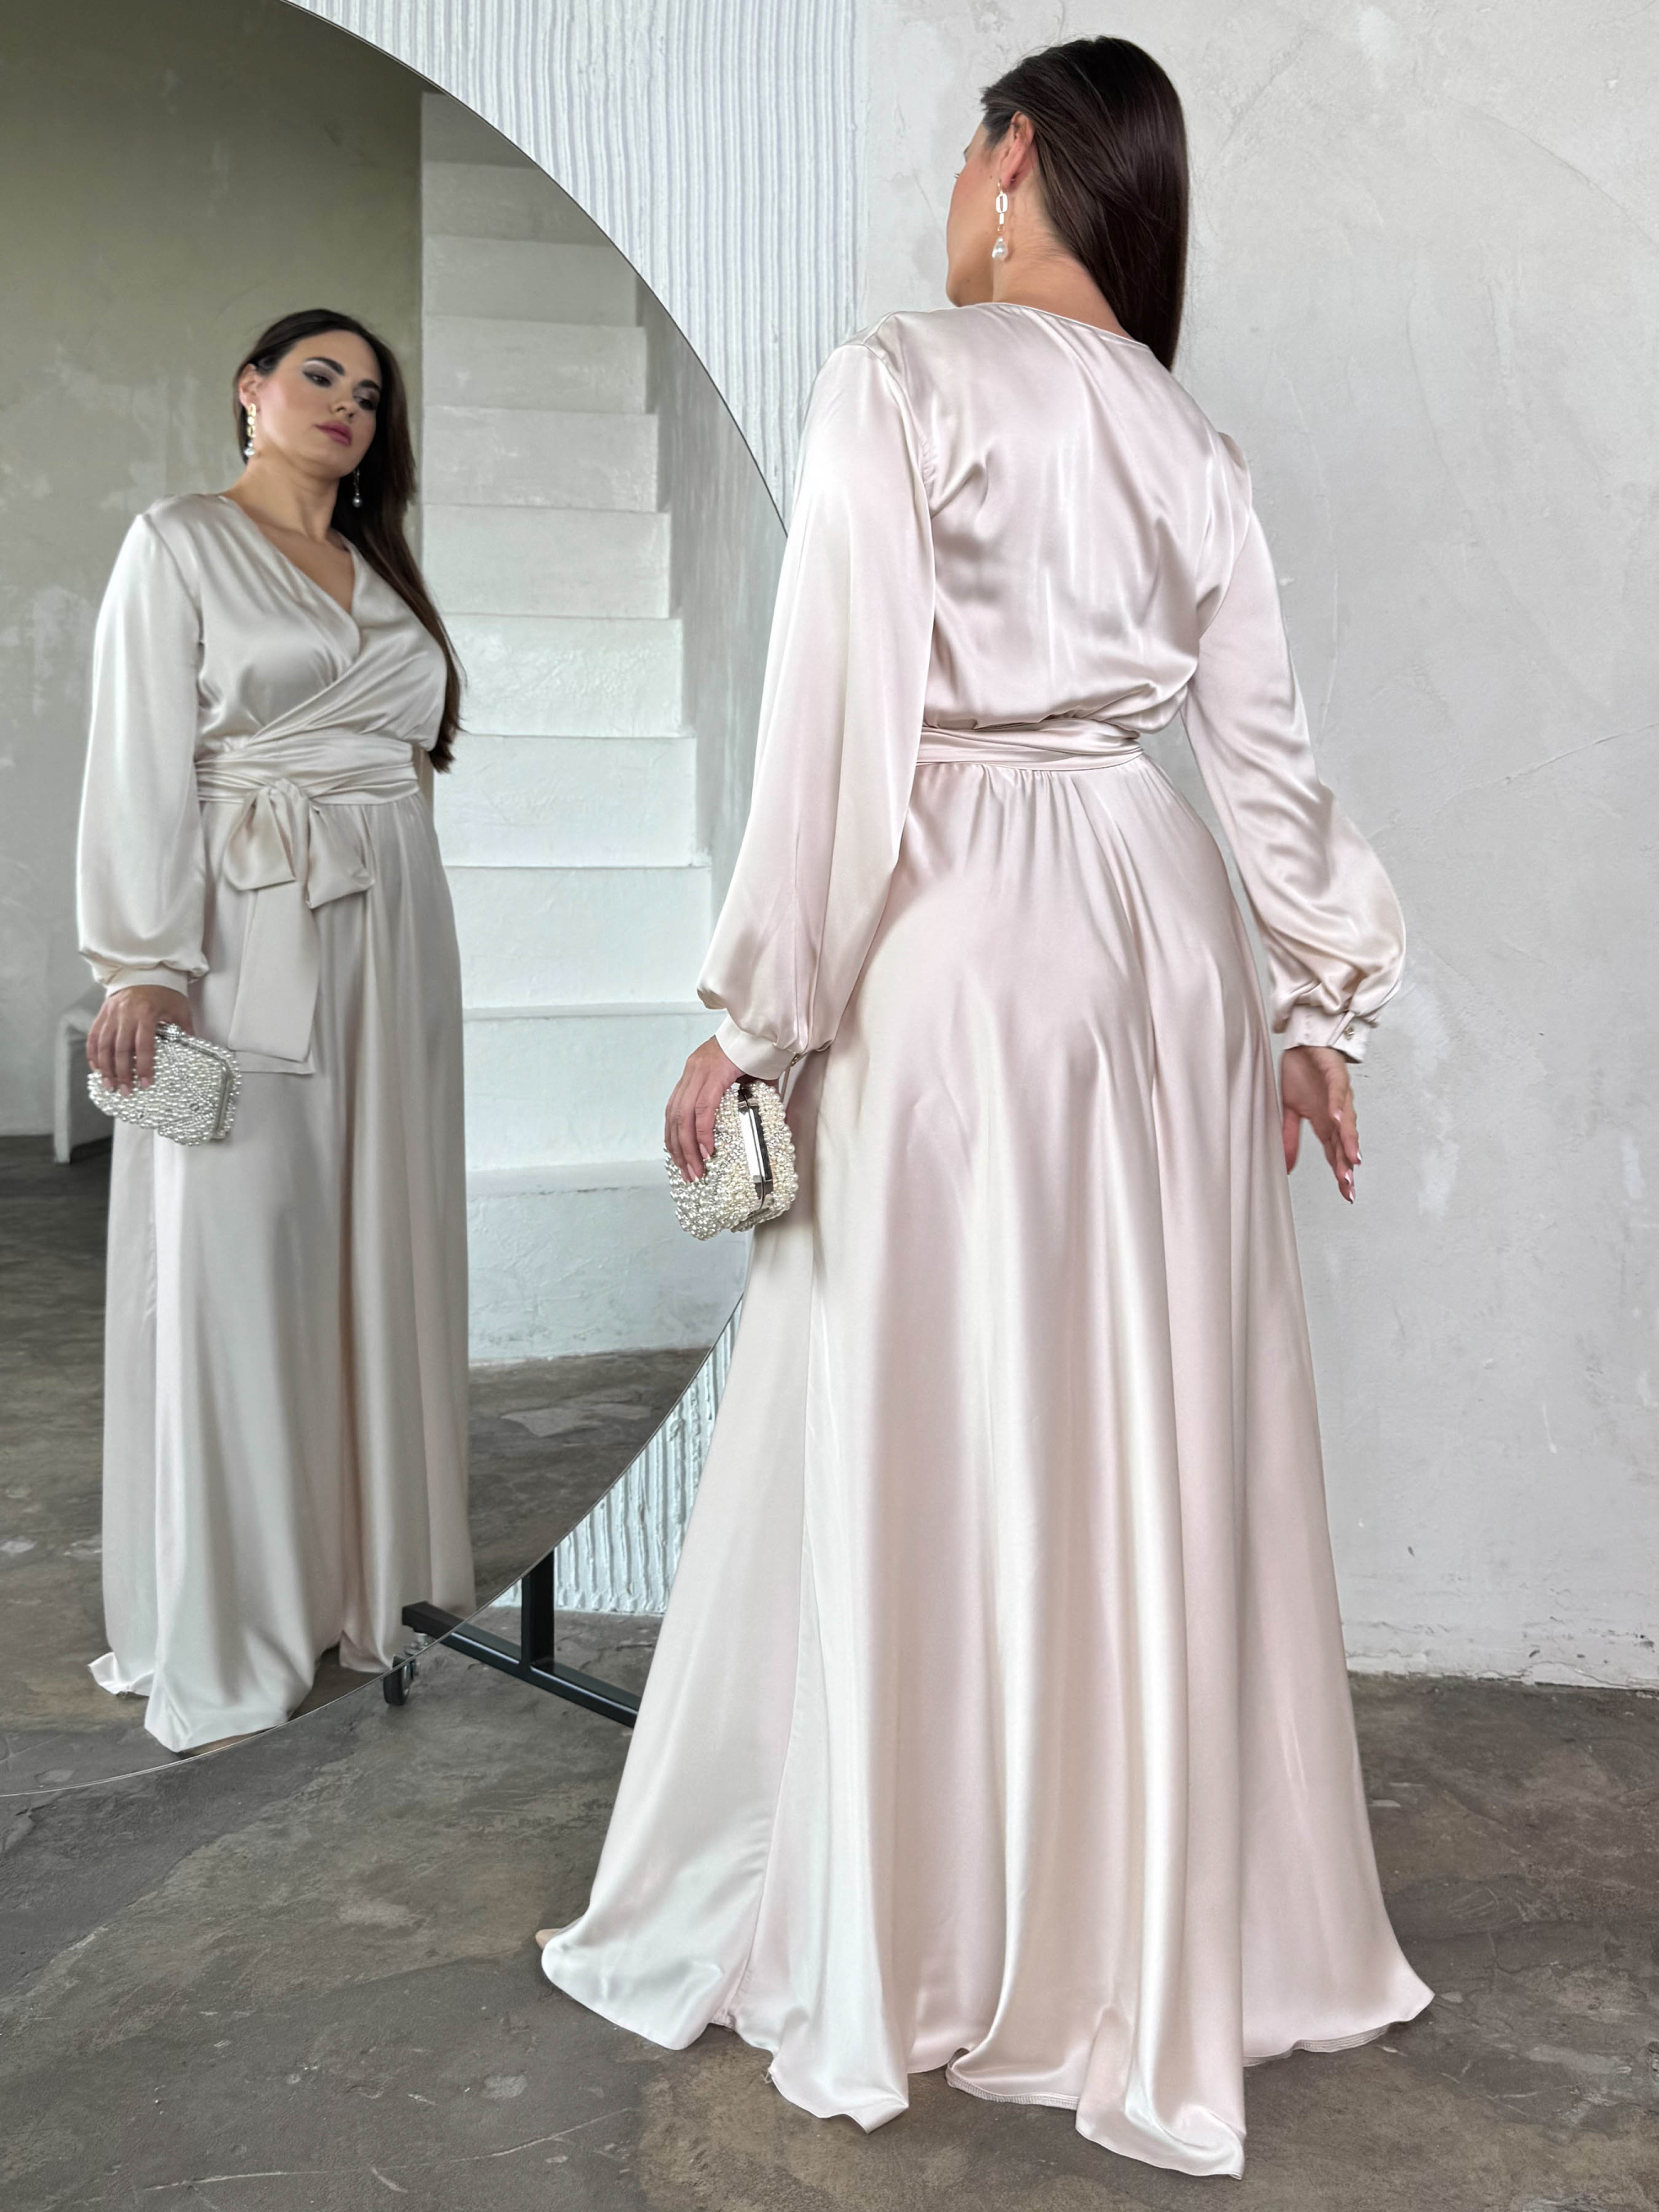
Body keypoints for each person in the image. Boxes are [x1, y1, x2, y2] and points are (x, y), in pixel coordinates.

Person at [538, 38, 1430, 2178]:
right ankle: (1127, 1925)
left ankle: (916, 1921)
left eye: (968, 153)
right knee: (1134, 1413)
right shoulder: (1192, 445)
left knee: (919, 1406)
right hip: (1155, 936)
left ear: (1012, 159)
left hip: (953, 936)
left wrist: (755, 1016)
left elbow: (837, 722)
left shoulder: (902, 377)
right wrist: (1317, 1008)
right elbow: (1265, 757)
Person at [77, 309, 474, 1755]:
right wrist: (143, 961)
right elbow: (139, 755)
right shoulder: (179, 540)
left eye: (369, 391)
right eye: (318, 375)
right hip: (250, 938)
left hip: (396, 940)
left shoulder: (384, 570)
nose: (346, 403)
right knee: (238, 1260)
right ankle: (236, 1611)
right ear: (250, 390)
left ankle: (371, 1585)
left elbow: (405, 770)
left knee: (382, 1249)